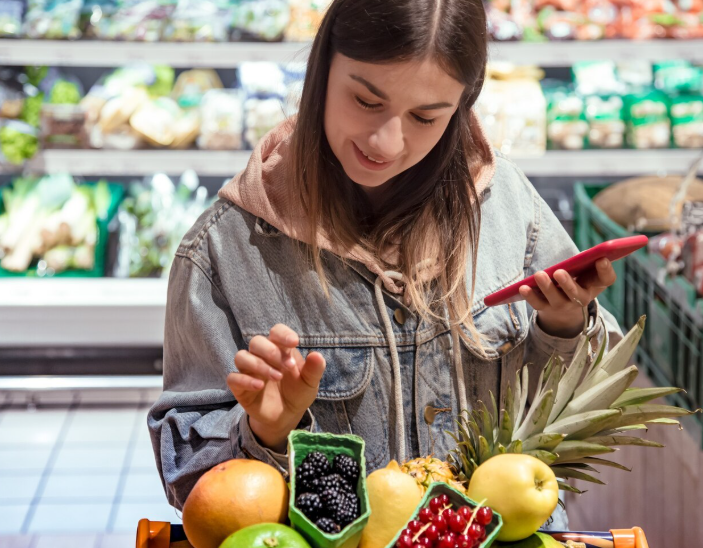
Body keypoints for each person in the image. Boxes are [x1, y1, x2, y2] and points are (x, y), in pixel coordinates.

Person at [149, 0, 623, 530]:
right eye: (366, 99)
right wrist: (264, 434)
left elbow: (591, 419)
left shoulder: (510, 208)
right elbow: (187, 477)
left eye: (426, 117)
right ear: (322, 67)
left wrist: (563, 327)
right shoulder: (226, 249)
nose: (386, 142)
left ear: (463, 106)